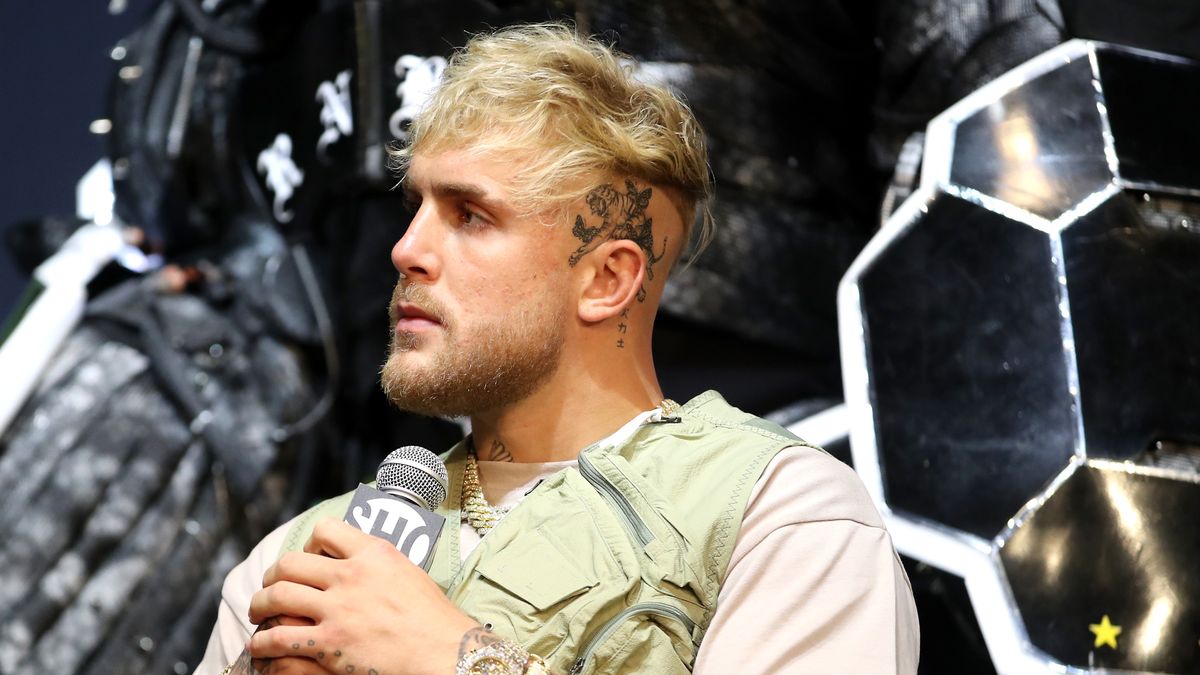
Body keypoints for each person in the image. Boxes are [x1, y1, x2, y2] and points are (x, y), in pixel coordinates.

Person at [195, 23, 919, 675]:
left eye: (470, 215)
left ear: (607, 279)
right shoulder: (300, 558)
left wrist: (455, 660)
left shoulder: (780, 515)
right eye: (414, 206)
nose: (406, 249)